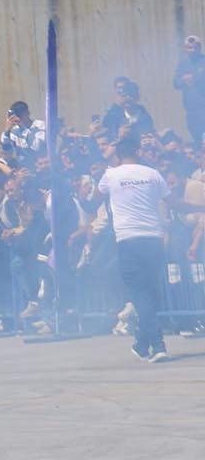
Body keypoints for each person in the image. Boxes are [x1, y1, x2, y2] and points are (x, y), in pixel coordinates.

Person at [98, 135, 171, 361]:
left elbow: (96, 195)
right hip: (153, 239)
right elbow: (171, 201)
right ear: (138, 151)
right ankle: (142, 343)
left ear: (118, 154)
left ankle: (158, 346)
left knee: (140, 294)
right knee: (149, 294)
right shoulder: (152, 174)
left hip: (129, 240)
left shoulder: (111, 175)